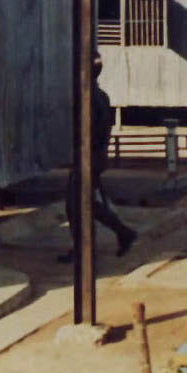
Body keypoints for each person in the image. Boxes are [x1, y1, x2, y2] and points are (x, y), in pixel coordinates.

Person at [59, 54, 137, 263]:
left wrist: (83, 155)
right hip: (95, 156)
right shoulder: (101, 95)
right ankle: (121, 232)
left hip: (87, 157)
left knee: (75, 205)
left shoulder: (87, 96)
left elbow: (90, 131)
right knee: (86, 202)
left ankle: (85, 248)